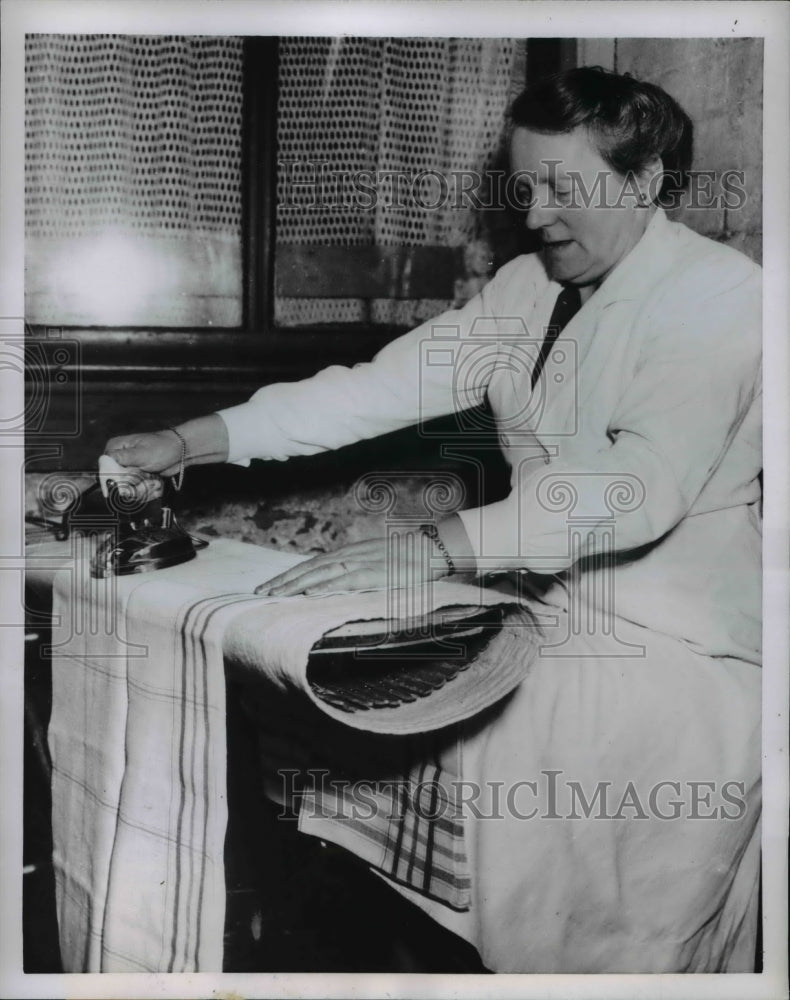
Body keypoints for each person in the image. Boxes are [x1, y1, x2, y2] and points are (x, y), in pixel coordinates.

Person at [104, 67, 762, 973]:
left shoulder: (721, 296)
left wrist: (432, 550)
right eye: (524, 187)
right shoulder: (527, 289)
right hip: (555, 620)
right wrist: (188, 440)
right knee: (348, 675)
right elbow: (373, 391)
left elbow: (635, 487)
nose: (535, 214)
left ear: (644, 181)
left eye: (562, 188)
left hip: (687, 657)